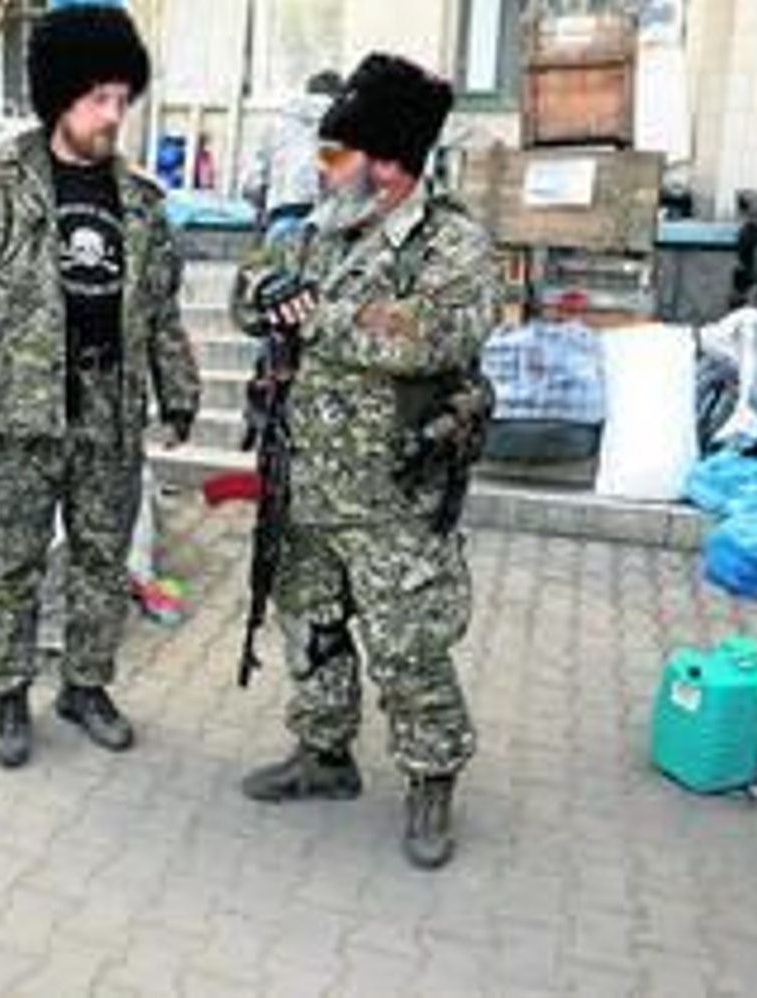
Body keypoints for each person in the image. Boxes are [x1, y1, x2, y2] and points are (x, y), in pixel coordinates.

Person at [231, 52, 499, 870]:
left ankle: (430, 782)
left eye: (347, 152)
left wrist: (320, 320)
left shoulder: (451, 241)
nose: (334, 166)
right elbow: (253, 287)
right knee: (309, 624)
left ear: (392, 157)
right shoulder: (319, 226)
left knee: (408, 643)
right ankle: (324, 756)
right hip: (305, 479)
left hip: (392, 491)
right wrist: (266, 299)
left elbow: (442, 334)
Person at [0, 3, 201, 769]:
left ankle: (85, 686)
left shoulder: (140, 202)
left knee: (102, 560)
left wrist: (178, 388)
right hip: (22, 411)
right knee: (14, 561)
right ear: (59, 97)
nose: (113, 115)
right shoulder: (4, 185)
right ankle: (9, 695)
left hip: (109, 414)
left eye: (121, 98)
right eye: (97, 100)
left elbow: (160, 308)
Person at [241, 69, 345, 246]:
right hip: (327, 221)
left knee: (272, 267)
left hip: (283, 214)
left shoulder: (275, 125)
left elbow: (253, 183)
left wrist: (262, 203)